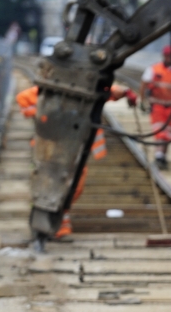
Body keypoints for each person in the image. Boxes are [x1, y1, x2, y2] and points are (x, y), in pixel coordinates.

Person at [16, 82, 136, 238]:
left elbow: (106, 89)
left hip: (75, 145)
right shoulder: (49, 92)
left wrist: (124, 91)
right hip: (51, 148)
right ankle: (45, 225)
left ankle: (58, 224)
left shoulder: (88, 90)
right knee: (50, 184)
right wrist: (48, 111)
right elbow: (24, 101)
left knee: (74, 185)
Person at [140, 45, 171, 167]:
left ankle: (163, 156)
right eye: (166, 55)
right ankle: (159, 157)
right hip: (157, 106)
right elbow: (143, 85)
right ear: (163, 55)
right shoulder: (154, 69)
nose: (168, 58)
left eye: (170, 56)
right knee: (159, 132)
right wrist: (142, 100)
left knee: (168, 134)